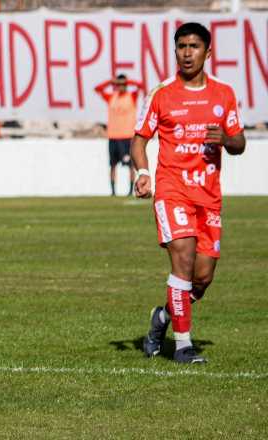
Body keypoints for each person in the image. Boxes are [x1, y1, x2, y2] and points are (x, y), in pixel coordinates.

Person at [132, 22, 246, 364]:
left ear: (208, 52)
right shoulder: (161, 94)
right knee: (182, 259)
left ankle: (163, 317)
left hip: (208, 197)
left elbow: (239, 143)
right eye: (181, 46)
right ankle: (183, 346)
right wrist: (143, 173)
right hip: (172, 190)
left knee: (202, 278)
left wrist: (225, 139)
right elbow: (139, 140)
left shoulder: (224, 94)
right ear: (175, 50)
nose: (186, 53)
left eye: (194, 46)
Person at [94, 74, 143, 196]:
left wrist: (127, 81)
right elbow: (97, 89)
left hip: (128, 136)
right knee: (113, 165)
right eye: (119, 84)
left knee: (130, 165)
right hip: (113, 136)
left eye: (123, 84)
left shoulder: (131, 96)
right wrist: (111, 81)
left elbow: (140, 85)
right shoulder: (112, 97)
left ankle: (130, 190)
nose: (121, 86)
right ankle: (113, 192)